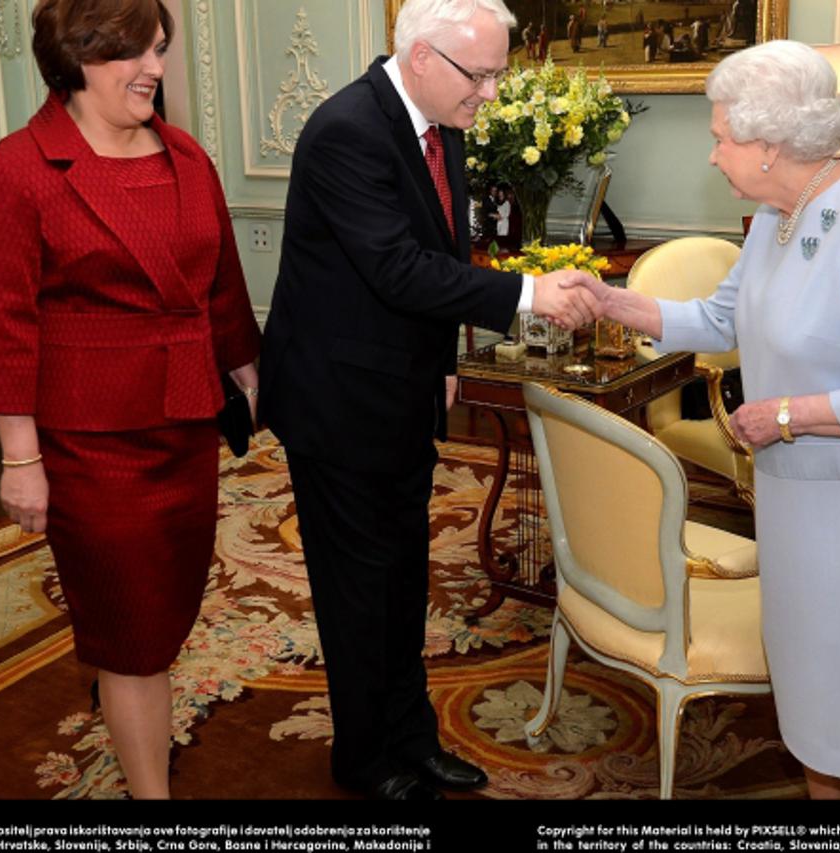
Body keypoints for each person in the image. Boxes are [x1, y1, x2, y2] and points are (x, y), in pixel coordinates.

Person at [577, 40, 840, 800]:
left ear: (771, 142)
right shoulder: (774, 218)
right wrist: (612, 301)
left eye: (721, 136)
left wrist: (786, 414)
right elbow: (720, 318)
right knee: (817, 698)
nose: (713, 153)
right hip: (797, 495)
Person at [258, 0, 601, 801]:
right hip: (338, 402)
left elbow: (442, 250)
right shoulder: (347, 129)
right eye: (478, 74)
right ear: (420, 57)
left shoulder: (439, 123)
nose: (490, 92)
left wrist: (444, 358)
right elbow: (398, 269)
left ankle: (413, 739)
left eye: (496, 74)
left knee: (403, 577)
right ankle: (365, 758)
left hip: (404, 388)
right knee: (357, 590)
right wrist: (528, 293)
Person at [0, 0, 260, 800]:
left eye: (159, 50)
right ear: (77, 58)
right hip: (89, 443)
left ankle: (119, 686)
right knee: (134, 635)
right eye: (133, 53)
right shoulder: (17, 170)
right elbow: (0, 328)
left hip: (185, 428)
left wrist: (248, 375)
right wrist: (21, 459)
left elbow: (222, 286)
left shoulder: (186, 155)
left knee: (165, 605)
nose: (155, 70)